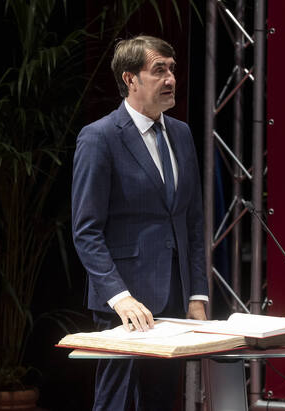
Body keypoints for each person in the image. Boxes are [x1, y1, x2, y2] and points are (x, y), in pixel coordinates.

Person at [71, 35, 209, 410]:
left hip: (174, 299)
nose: (171, 79)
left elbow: (192, 222)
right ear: (130, 78)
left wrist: (197, 295)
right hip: (125, 303)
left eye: (172, 70)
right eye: (159, 70)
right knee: (116, 402)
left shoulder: (181, 134)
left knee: (161, 401)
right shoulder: (99, 137)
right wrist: (120, 297)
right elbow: (86, 231)